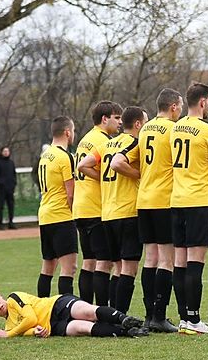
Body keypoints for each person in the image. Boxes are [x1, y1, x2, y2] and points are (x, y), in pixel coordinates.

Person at [78, 106, 146, 314]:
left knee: (117, 266)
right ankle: (120, 317)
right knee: (129, 269)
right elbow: (117, 165)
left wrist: (103, 179)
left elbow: (83, 165)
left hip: (107, 213)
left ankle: (110, 314)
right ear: (138, 124)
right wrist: (137, 175)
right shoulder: (135, 143)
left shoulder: (107, 144)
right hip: (127, 211)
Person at [170, 82, 208, 335]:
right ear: (202, 102)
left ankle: (183, 318)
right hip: (198, 200)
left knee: (179, 262)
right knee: (195, 262)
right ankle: (194, 319)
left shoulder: (175, 128)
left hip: (177, 201)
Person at [136, 88, 184, 332]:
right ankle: (159, 316)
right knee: (166, 259)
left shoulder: (145, 129)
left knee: (150, 258)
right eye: (180, 106)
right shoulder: (173, 129)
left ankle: (148, 316)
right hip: (164, 199)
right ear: (173, 107)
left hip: (144, 199)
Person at [73, 101, 122, 306]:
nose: (120, 122)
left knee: (89, 262)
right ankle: (102, 311)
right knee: (105, 262)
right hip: (95, 208)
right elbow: (87, 168)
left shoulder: (85, 139)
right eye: (116, 118)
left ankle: (85, 308)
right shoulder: (103, 141)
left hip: (80, 208)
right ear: (104, 119)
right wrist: (103, 178)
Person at [0, 287, 148, 338]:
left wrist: (9, 334)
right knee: (82, 328)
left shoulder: (13, 298)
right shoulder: (9, 325)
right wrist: (36, 332)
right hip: (53, 326)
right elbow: (28, 329)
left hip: (56, 305)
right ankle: (128, 332)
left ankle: (125, 319)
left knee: (87, 312)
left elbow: (30, 318)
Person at [36, 117, 78, 297]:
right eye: (73, 131)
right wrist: (74, 214)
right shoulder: (64, 156)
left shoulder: (45, 156)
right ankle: (66, 309)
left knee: (48, 266)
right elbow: (71, 193)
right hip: (61, 216)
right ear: (67, 132)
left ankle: (41, 307)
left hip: (45, 215)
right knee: (69, 268)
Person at [0, 146, 17, 229]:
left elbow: (14, 174)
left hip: (10, 188)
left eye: (7, 151)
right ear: (1, 152)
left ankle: (11, 222)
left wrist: (14, 183)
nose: (6, 153)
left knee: (11, 206)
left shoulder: (11, 163)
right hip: (2, 189)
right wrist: (1, 182)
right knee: (1, 206)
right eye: (4, 151)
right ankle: (0, 223)